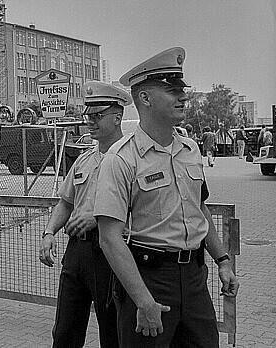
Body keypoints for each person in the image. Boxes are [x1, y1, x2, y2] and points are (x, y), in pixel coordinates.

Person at [94, 47, 239, 347]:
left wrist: (223, 260)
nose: (183, 97)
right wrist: (143, 301)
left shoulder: (190, 150)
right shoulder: (121, 159)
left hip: (195, 280)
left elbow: (200, 209)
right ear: (145, 99)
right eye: (172, 91)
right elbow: (109, 238)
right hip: (149, 281)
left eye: (181, 90)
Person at [39, 81, 132, 347]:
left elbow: (141, 209)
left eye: (96, 116)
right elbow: (65, 203)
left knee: (112, 332)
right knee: (65, 332)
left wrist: (98, 217)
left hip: (110, 253)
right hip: (77, 253)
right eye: (87, 116)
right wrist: (48, 233)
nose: (90, 122)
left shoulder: (132, 160)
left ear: (118, 117)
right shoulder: (84, 159)